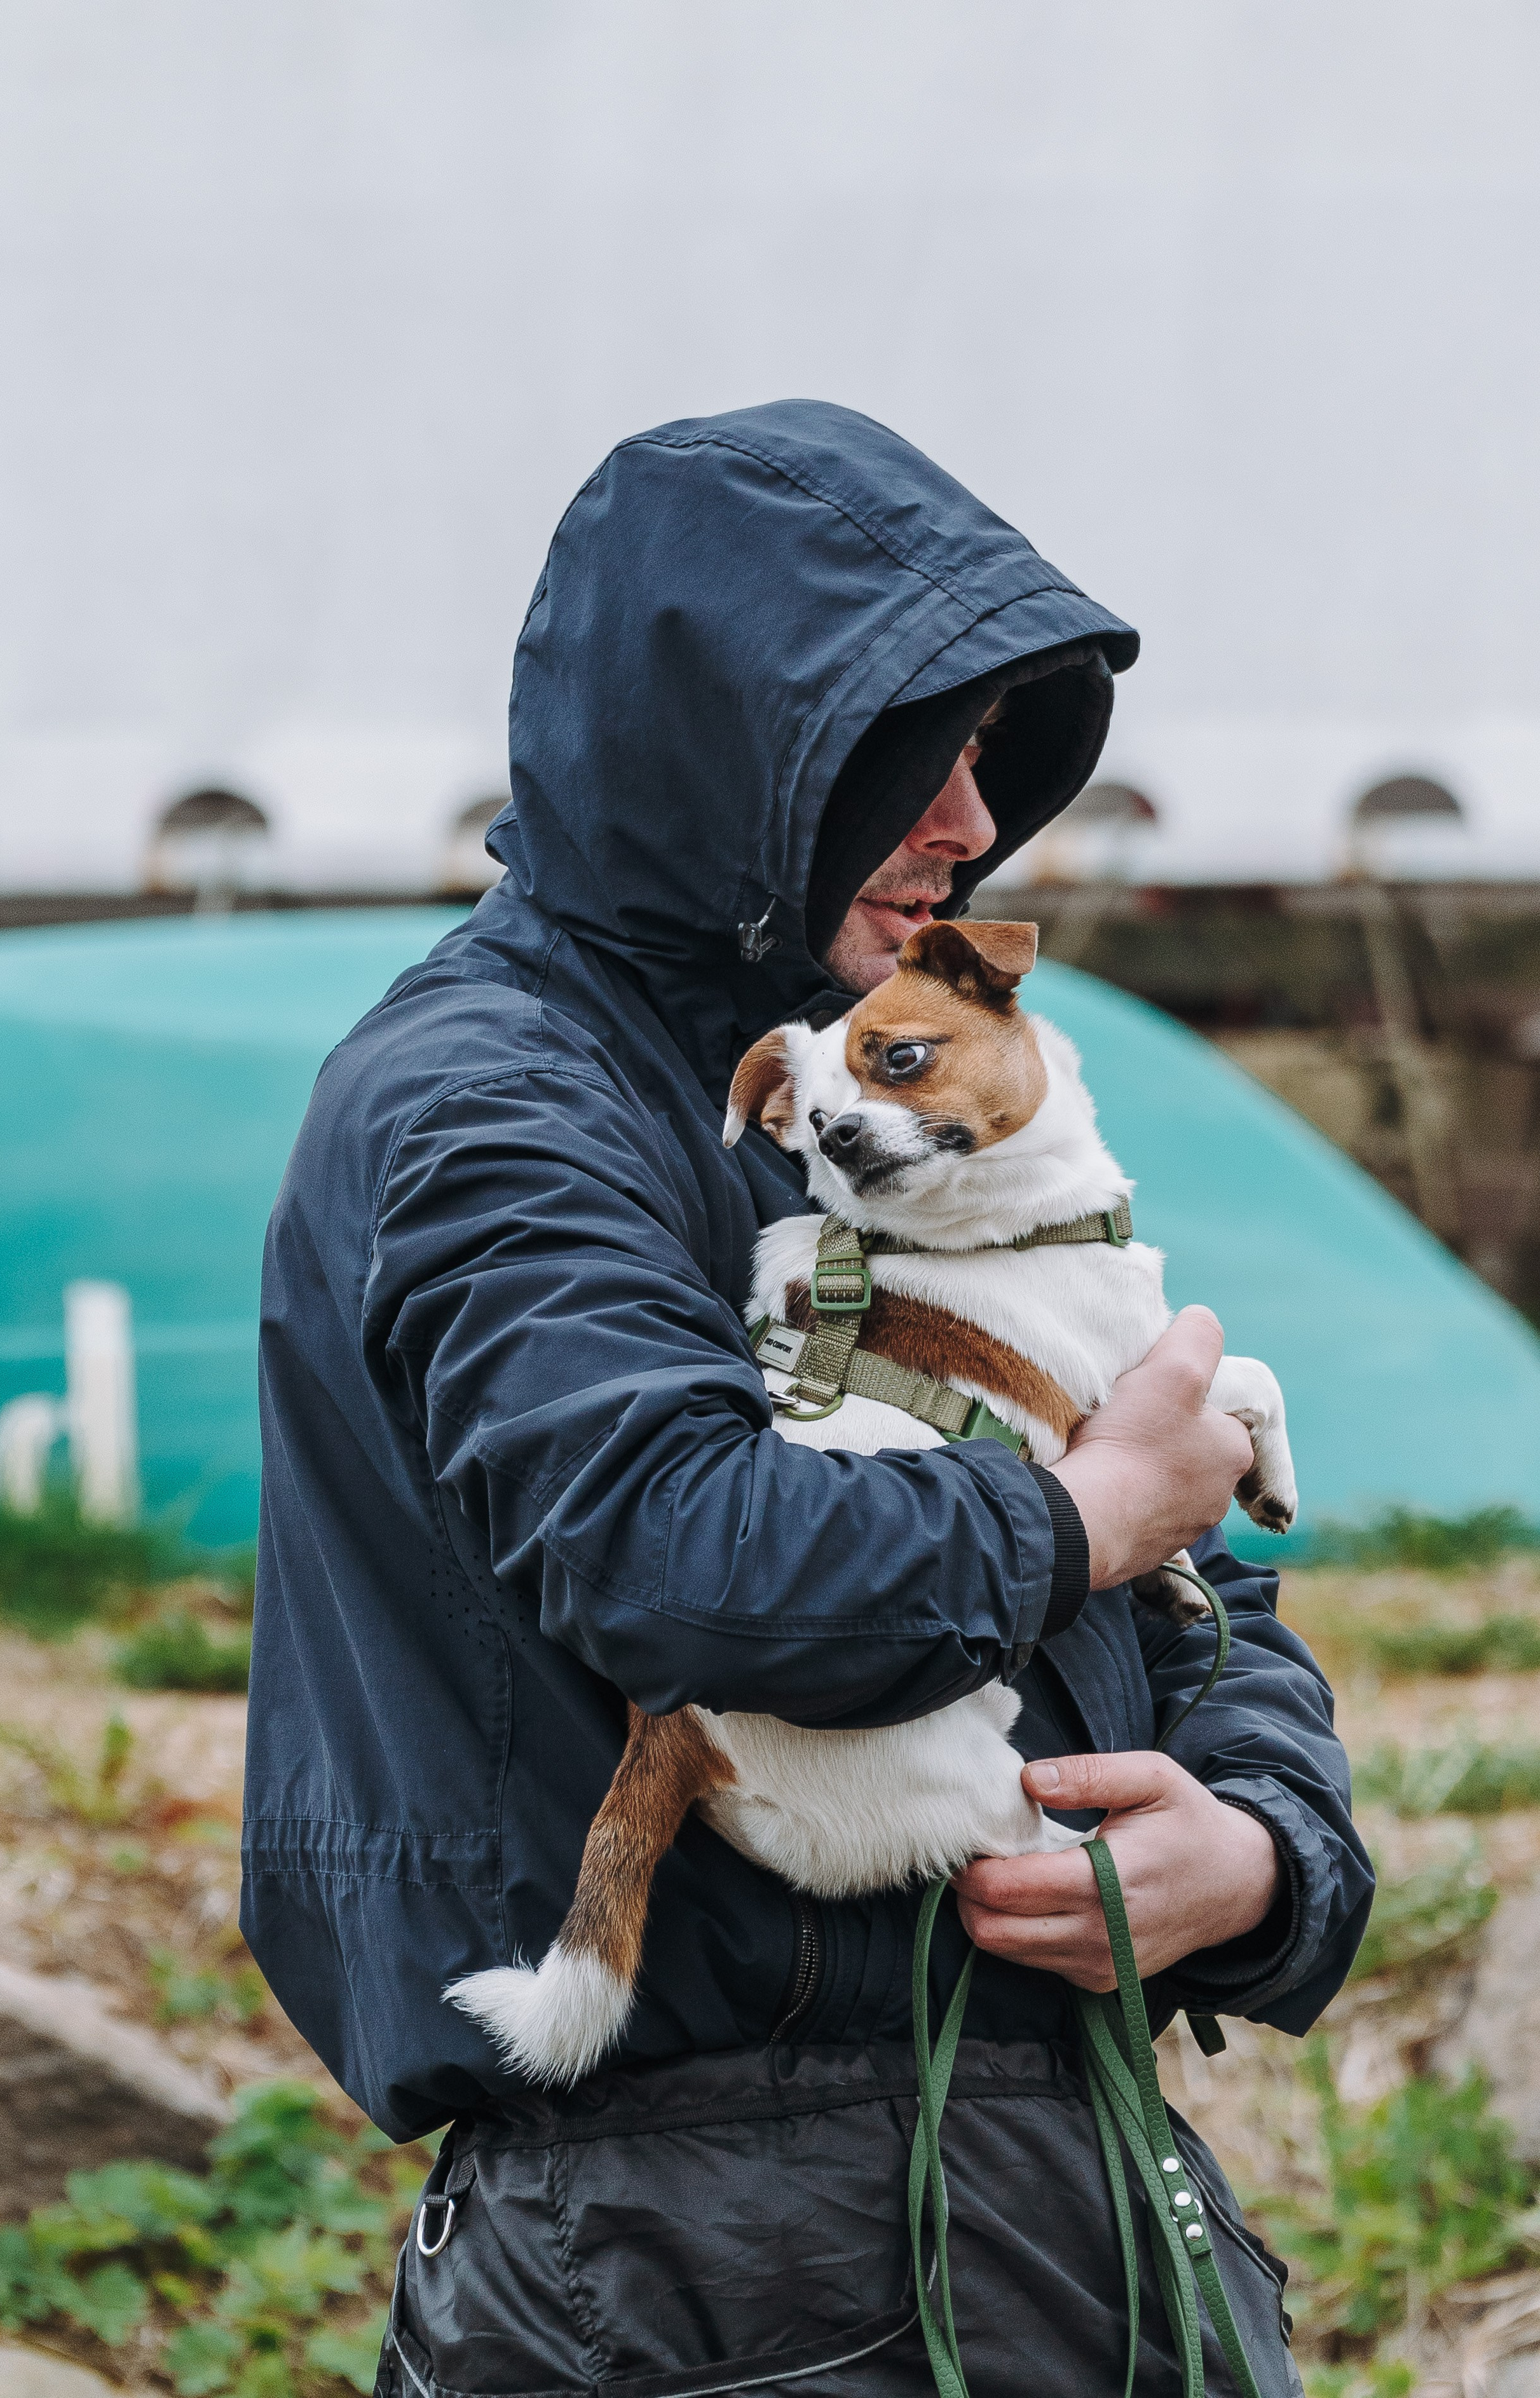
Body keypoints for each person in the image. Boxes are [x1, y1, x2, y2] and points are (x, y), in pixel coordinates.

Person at [244, 401, 1370, 2397]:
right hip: (719, 2250)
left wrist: (1263, 1859)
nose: (964, 825)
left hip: (1015, 2189)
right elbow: (683, 1559)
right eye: (904, 759)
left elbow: (1170, 1535)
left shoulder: (864, 1106)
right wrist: (1091, 1517)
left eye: (977, 764)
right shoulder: (496, 1109)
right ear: (721, 756)